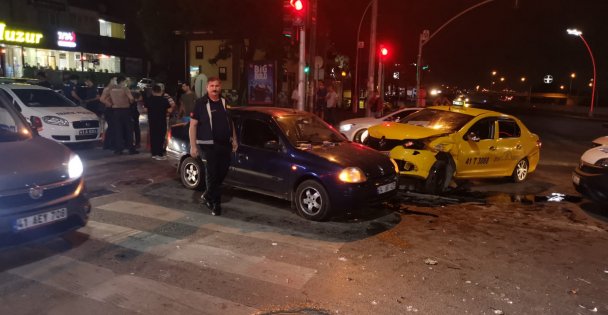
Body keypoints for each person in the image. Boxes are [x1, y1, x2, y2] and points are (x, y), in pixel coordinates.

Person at [189, 77, 237, 216]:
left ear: (220, 87)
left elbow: (230, 122)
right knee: (212, 173)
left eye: (217, 86)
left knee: (222, 172)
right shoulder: (200, 103)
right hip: (208, 145)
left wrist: (234, 139)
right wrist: (193, 146)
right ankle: (216, 204)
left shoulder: (224, 102)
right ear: (207, 88)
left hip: (225, 144)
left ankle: (208, 195)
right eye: (212, 86)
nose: (214, 88)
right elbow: (193, 126)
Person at [109, 76, 138, 155]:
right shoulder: (125, 89)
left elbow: (105, 99)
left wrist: (111, 104)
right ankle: (131, 149)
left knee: (118, 130)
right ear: (122, 81)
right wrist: (132, 101)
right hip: (125, 111)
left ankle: (118, 149)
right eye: (125, 81)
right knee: (129, 130)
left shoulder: (111, 90)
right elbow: (131, 99)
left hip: (116, 111)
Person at [144, 84, 173, 160]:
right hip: (161, 120)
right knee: (160, 137)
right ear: (160, 91)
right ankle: (159, 154)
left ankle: (154, 153)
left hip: (152, 121)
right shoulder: (164, 100)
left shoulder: (149, 99)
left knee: (153, 136)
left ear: (153, 91)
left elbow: (145, 110)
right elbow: (170, 110)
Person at [100, 77, 117, 150]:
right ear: (111, 80)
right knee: (111, 127)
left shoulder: (114, 88)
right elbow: (102, 99)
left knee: (113, 127)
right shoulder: (108, 89)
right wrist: (110, 105)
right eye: (115, 80)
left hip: (113, 109)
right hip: (109, 110)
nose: (116, 82)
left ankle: (110, 143)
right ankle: (107, 144)